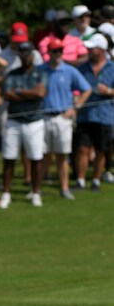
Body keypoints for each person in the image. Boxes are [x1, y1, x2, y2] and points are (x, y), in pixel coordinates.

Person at [41, 37, 92, 199]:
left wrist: (75, 108)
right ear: (48, 52)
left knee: (62, 155)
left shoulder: (69, 70)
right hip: (43, 117)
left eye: (60, 51)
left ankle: (64, 188)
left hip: (62, 117)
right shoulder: (40, 70)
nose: (57, 54)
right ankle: (38, 188)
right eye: (54, 51)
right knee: (43, 155)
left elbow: (86, 89)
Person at [0, 42, 47, 208]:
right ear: (19, 55)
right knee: (9, 157)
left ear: (33, 55)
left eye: (28, 53)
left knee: (35, 158)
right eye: (22, 53)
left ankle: (35, 192)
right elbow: (7, 94)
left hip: (34, 120)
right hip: (14, 120)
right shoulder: (12, 74)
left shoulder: (40, 73)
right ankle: (6, 193)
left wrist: (19, 92)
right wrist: (29, 94)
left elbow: (40, 93)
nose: (25, 56)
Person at [73, 35, 114, 191]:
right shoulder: (82, 68)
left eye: (92, 48)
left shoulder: (112, 67)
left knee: (101, 149)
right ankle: (80, 181)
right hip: (85, 114)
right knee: (82, 148)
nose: (89, 50)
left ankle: (96, 180)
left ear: (101, 50)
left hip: (105, 114)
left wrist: (109, 91)